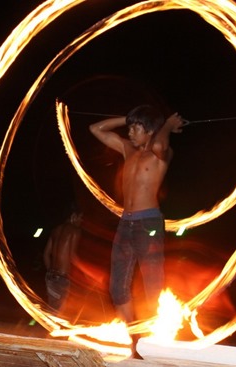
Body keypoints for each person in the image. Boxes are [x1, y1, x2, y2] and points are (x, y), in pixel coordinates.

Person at [89, 104, 184, 325]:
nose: (129, 133)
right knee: (117, 287)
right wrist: (131, 117)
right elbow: (96, 129)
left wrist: (167, 125)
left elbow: (160, 142)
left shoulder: (162, 153)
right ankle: (133, 339)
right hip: (126, 223)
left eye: (135, 128)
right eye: (129, 128)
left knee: (152, 284)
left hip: (148, 223)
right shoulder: (127, 150)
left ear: (150, 129)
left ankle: (154, 337)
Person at [43, 207, 83, 313]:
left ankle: (48, 328)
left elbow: (46, 254)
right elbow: (73, 257)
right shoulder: (75, 231)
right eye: (80, 218)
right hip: (62, 278)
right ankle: (50, 329)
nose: (81, 221)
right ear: (73, 216)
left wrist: (50, 271)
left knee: (53, 307)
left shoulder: (55, 230)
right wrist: (89, 273)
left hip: (51, 276)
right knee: (59, 311)